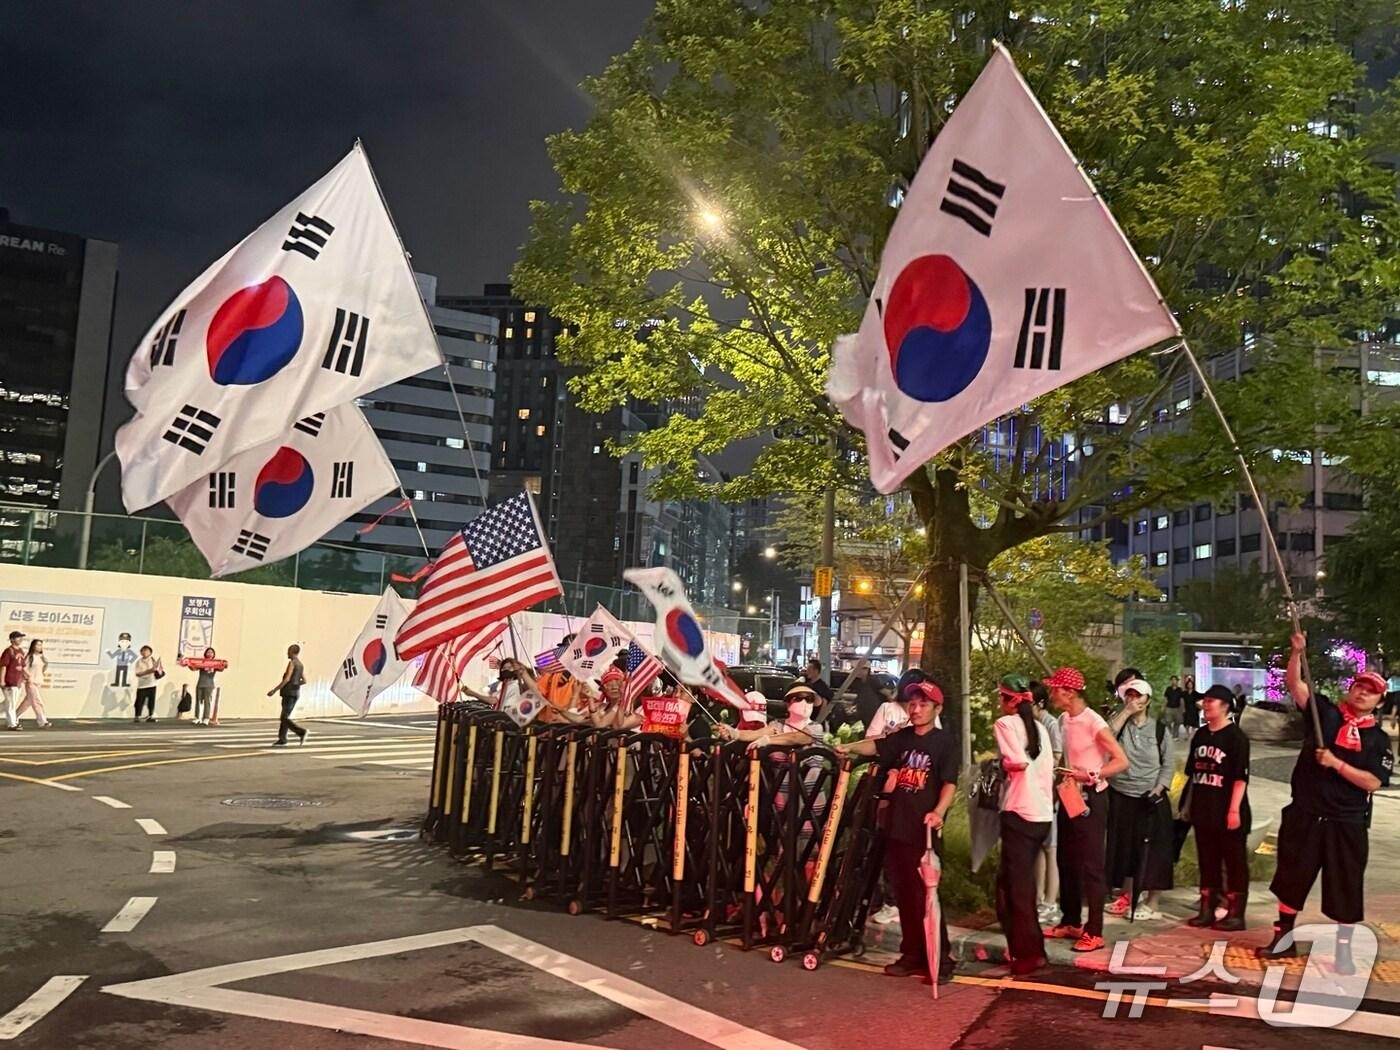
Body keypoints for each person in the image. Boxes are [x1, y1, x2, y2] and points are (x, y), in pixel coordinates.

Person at [1257, 633, 1394, 972]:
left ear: (1379, 701)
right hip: (1306, 812)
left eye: (1371, 690)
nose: (1362, 692)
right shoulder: (1325, 714)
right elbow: (1296, 684)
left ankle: (1343, 951)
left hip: (1347, 821)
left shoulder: (1377, 740)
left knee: (1345, 885)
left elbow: (1373, 782)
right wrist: (1296, 652)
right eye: (1359, 686)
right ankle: (1283, 938)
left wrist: (1338, 764)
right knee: (1291, 875)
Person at [836, 681, 959, 982]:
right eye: (912, 704)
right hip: (898, 827)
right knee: (904, 895)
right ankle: (912, 954)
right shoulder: (902, 738)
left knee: (927, 896)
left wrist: (939, 813)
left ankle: (939, 959)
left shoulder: (945, 743)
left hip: (924, 830)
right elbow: (876, 746)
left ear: (936, 709)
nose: (916, 710)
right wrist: (849, 747)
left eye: (923, 705)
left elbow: (949, 783)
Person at [1043, 666, 1129, 953]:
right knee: (1067, 859)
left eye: (1056, 689)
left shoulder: (1094, 722)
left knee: (1092, 864)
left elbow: (1120, 760)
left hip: (1092, 796)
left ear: (1069, 692)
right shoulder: (1064, 719)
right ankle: (1070, 920)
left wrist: (1092, 775)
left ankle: (1095, 930)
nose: (1052, 694)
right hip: (1070, 794)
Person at [994, 676, 1055, 976]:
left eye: (1001, 697)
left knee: (1015, 889)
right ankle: (1026, 949)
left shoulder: (1005, 725)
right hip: (1042, 813)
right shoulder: (1041, 728)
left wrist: (1002, 765)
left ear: (1009, 700)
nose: (998, 703)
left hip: (1019, 811)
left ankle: (1029, 953)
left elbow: (1017, 762)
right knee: (1020, 885)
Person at [1104, 677, 1175, 920]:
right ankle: (1126, 895)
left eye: (1139, 696)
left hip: (1150, 798)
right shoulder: (1120, 723)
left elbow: (1169, 763)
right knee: (1125, 849)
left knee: (1155, 851)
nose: (1135, 700)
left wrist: (1159, 788)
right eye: (1130, 695)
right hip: (1121, 794)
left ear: (1148, 699)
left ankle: (1152, 901)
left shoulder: (1159, 729)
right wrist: (1124, 713)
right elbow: (1105, 738)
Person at [1184, 684, 1251, 931]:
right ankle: (1207, 908)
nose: (1206, 705)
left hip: (1227, 809)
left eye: (1212, 701)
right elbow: (1193, 773)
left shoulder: (1236, 738)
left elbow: (1240, 778)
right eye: (1205, 701)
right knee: (1207, 860)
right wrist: (1188, 806)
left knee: (1234, 862)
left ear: (1225, 706)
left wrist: (1233, 810)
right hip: (1204, 808)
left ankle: (1236, 913)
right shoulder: (1201, 735)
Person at [1029, 679, 1063, 925]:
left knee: (1051, 849)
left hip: (1048, 794)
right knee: (1039, 848)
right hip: (1033, 794)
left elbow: (1058, 757)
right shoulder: (1029, 724)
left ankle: (1051, 902)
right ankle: (1039, 897)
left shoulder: (1050, 724)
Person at [267, 643, 308, 746]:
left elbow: (287, 679)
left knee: (284, 717)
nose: (287, 653)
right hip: (295, 693)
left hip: (288, 692)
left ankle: (301, 732)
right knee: (284, 716)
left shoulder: (292, 663)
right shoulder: (301, 665)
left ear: (292, 652)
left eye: (288, 651)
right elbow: (304, 680)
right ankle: (282, 738)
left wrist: (275, 690)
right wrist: (296, 684)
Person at [14, 639, 53, 728]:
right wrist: (28, 677)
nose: (39, 647)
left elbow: (43, 668)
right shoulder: (29, 657)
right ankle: (42, 721)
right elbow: (24, 668)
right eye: (38, 645)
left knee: (27, 703)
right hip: (30, 682)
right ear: (33, 646)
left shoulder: (41, 657)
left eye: (41, 645)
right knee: (37, 702)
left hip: (38, 681)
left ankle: (14, 717)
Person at [1, 630, 26, 731]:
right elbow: (3, 666)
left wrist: (23, 678)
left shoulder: (20, 651)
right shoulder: (9, 651)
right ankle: (12, 723)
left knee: (9, 703)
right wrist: (2, 680)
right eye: (18, 637)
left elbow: (22, 666)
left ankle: (12, 721)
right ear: (12, 639)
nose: (20, 639)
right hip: (9, 681)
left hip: (17, 681)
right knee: (11, 703)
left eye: (21, 637)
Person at [190, 647, 221, 725]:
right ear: (205, 653)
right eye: (208, 652)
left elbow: (221, 668)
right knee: (198, 700)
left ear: (213, 654)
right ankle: (197, 717)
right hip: (200, 683)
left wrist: (221, 664)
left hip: (209, 685)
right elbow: (194, 668)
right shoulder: (202, 662)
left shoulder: (215, 663)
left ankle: (206, 718)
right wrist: (188, 664)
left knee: (207, 701)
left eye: (211, 652)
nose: (209, 654)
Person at [133, 645, 163, 723]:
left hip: (152, 683)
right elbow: (138, 674)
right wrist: (148, 671)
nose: (144, 652)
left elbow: (158, 669)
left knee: (151, 701)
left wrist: (159, 669)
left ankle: (151, 715)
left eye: (146, 650)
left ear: (150, 652)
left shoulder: (153, 660)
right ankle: (137, 716)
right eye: (142, 651)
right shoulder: (139, 662)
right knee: (139, 701)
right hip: (142, 684)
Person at [1164, 675, 1185, 739]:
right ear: (1171, 681)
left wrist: (1183, 708)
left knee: (1177, 722)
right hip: (1169, 707)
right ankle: (1170, 733)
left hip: (1177, 708)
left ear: (1177, 681)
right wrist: (1163, 706)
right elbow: (1165, 698)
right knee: (1167, 722)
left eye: (1175, 680)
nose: (1173, 681)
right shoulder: (1168, 689)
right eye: (1172, 680)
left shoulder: (1180, 689)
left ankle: (1175, 735)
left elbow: (1181, 699)